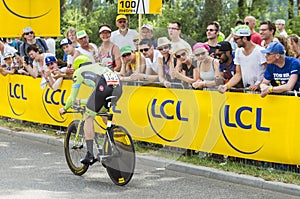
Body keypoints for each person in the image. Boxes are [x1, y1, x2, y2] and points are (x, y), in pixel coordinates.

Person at [59, 55, 122, 165]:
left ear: (77, 66)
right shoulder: (97, 66)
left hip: (103, 86)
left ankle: (89, 154)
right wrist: (82, 102)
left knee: (88, 116)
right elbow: (96, 97)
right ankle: (116, 143)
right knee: (103, 114)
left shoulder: (79, 72)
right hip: (118, 86)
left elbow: (72, 97)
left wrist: (65, 108)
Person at [218, 25, 266, 93]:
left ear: (244, 38)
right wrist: (226, 86)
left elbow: (268, 72)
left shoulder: (260, 51)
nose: (234, 41)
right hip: (247, 90)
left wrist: (259, 85)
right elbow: (238, 74)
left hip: (261, 91)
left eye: (236, 39)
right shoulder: (238, 51)